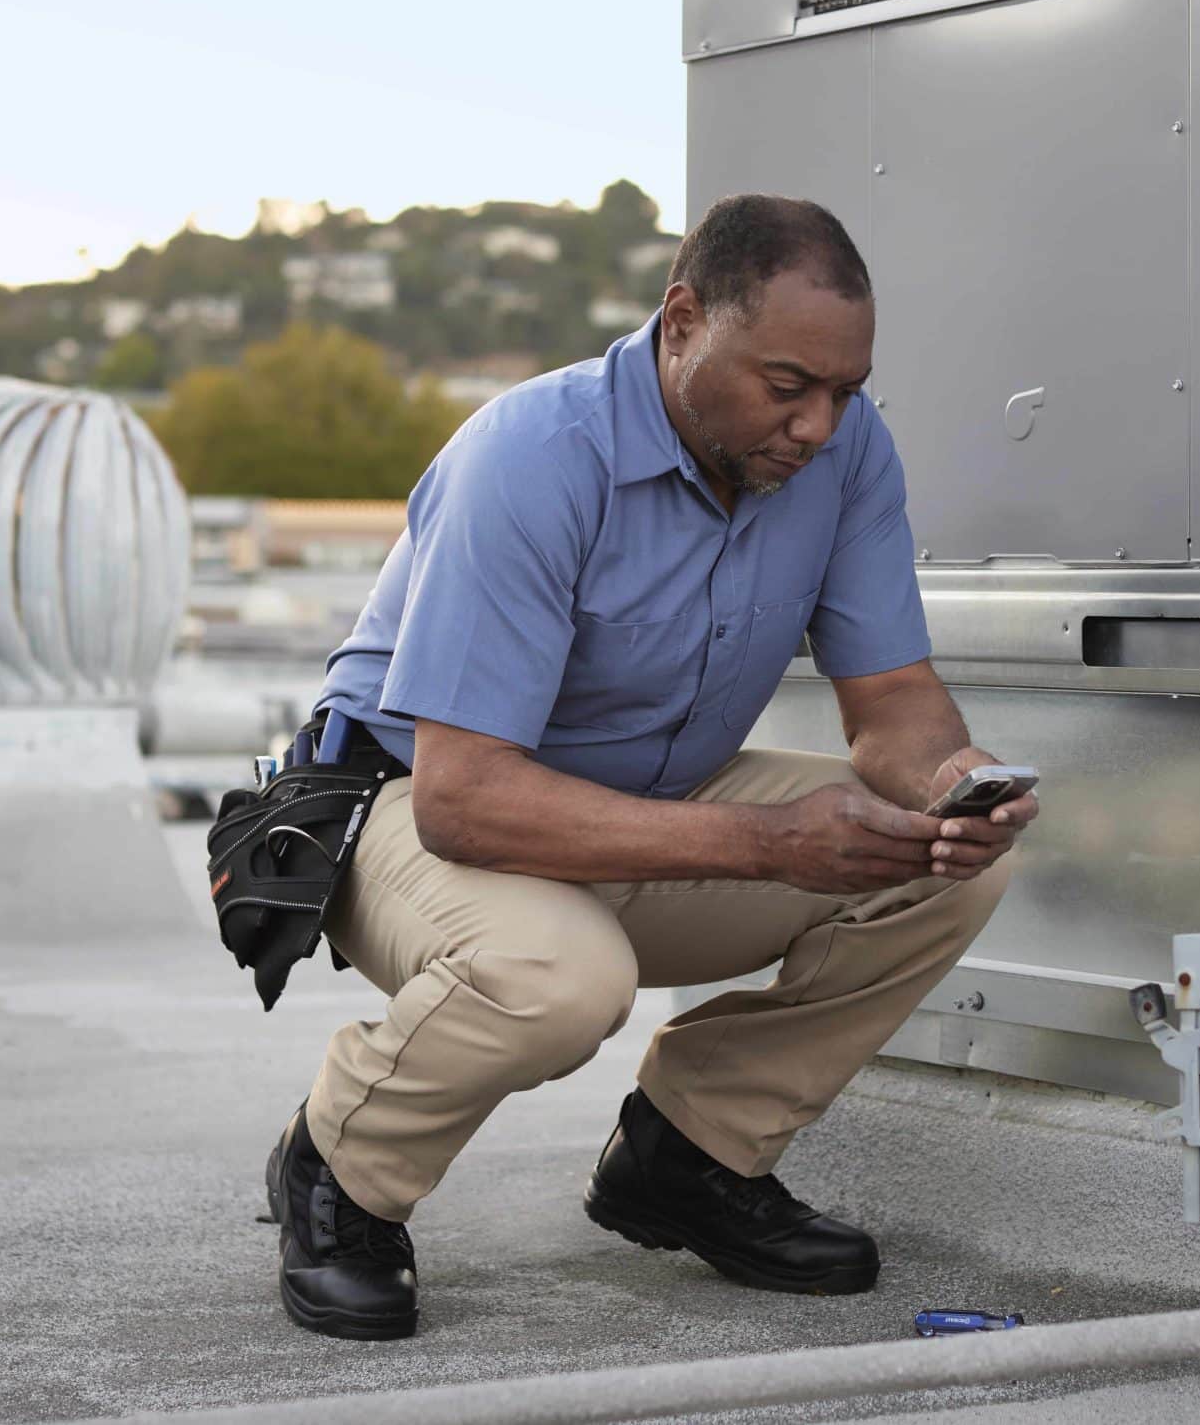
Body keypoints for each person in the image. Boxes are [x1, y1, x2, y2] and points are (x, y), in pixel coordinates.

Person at [272, 193, 1037, 1340]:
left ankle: (687, 1158)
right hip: (398, 810)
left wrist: (954, 782)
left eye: (845, 392)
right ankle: (340, 1172)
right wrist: (770, 842)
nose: (819, 427)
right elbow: (464, 798)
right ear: (682, 322)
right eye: (788, 388)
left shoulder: (844, 457)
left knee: (945, 864)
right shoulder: (532, 456)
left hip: (642, 807)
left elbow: (891, 707)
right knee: (561, 978)